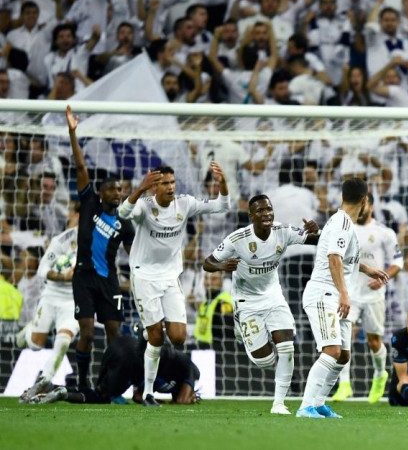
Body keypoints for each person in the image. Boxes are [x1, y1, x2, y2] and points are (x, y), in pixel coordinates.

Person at [118, 163, 231, 406]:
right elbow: (123, 213)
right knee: (156, 336)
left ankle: (156, 356)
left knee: (178, 337)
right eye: (164, 183)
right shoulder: (145, 207)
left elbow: (222, 205)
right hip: (144, 276)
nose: (170, 187)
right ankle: (148, 391)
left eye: (172, 182)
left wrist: (222, 184)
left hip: (170, 277)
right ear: (154, 186)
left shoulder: (185, 203)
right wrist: (139, 190)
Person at [203, 194, 320, 415]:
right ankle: (241, 329)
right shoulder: (237, 239)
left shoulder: (282, 231)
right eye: (260, 211)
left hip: (273, 295)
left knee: (286, 347)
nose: (266, 214)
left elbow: (315, 240)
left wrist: (317, 230)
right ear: (251, 216)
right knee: (264, 361)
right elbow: (207, 263)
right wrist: (222, 267)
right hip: (246, 300)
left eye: (269, 209)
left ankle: (279, 404)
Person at [297, 178, 389, 418]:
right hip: (324, 294)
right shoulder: (343, 224)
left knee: (344, 355)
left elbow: (347, 259)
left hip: (335, 295)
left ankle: (318, 403)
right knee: (331, 350)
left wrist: (369, 270)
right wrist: (345, 294)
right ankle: (305, 406)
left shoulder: (339, 221)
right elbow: (334, 258)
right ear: (364, 200)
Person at [66, 106, 135, 391]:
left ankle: (110, 384)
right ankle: (83, 382)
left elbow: (134, 256)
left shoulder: (125, 223)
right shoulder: (90, 204)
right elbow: (81, 167)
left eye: (120, 190)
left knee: (114, 334)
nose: (117, 194)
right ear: (101, 193)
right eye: (113, 190)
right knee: (85, 333)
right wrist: (73, 132)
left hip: (109, 282)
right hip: (83, 277)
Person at [333, 193, 403, 403]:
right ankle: (344, 385)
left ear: (370, 207)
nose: (360, 210)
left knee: (374, 342)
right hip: (349, 293)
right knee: (344, 338)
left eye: (363, 206)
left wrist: (383, 278)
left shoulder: (384, 233)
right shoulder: (345, 229)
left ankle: (380, 374)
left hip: (373, 295)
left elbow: (397, 262)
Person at [30, 334, 199, 405]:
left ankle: (52, 388)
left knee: (99, 392)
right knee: (100, 398)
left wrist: (157, 401)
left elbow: (138, 396)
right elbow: (183, 400)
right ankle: (60, 392)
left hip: (121, 347)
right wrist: (186, 400)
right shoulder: (189, 368)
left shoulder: (159, 382)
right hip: (132, 356)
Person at [16, 221, 79, 402]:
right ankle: (30, 330)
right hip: (51, 295)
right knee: (36, 345)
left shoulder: (98, 241)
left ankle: (45, 379)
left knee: (64, 340)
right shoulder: (63, 240)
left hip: (73, 300)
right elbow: (42, 270)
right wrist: (62, 277)